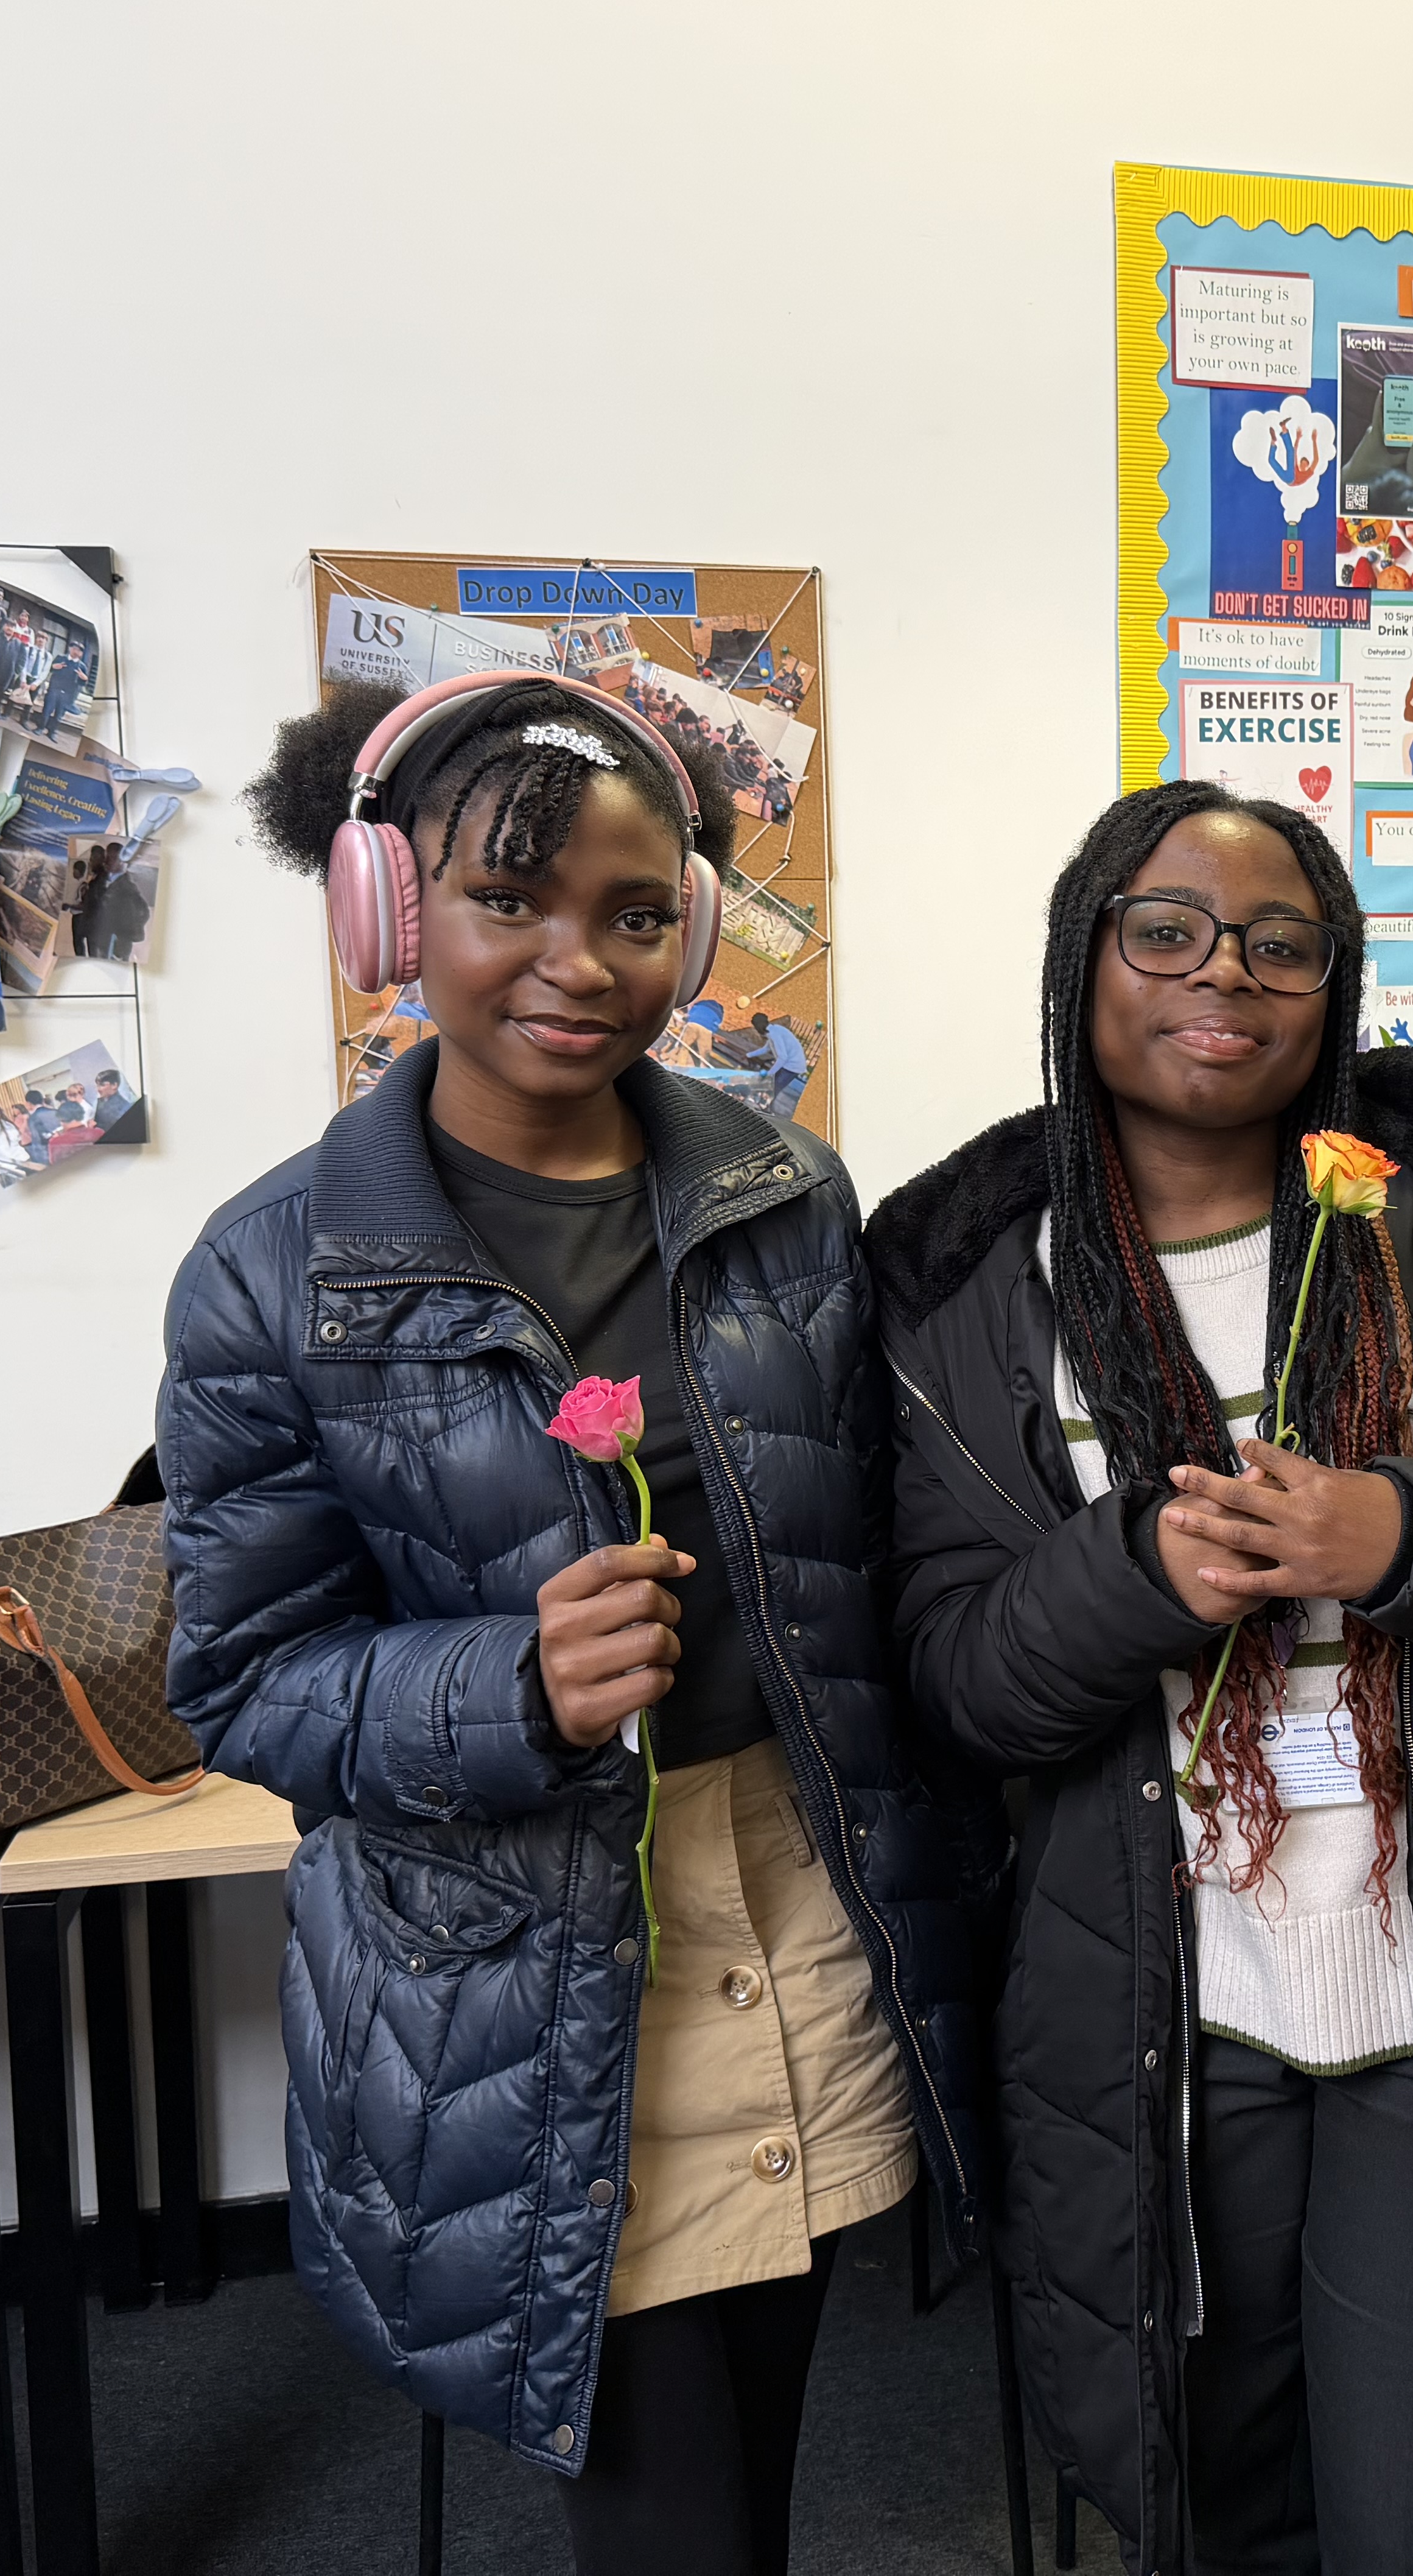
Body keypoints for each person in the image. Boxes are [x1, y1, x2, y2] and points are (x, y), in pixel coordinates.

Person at [162, 671, 987, 2576]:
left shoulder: (782, 1195)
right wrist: (502, 1688)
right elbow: (240, 1683)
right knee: (671, 2513)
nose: (575, 963)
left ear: (692, 929)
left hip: (789, 1910)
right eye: (505, 903)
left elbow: (876, 1541)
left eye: (632, 915)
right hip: (520, 1972)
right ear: (386, 917)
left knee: (756, 2455)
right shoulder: (273, 1270)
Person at [870, 779, 1413, 2576]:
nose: (1226, 976)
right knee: (1216, 2501)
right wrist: (1130, 1579)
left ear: (1334, 987)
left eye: (1282, 945)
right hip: (1158, 2007)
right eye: (1167, 931)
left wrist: (1395, 1537)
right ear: (1082, 958)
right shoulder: (972, 1282)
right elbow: (961, 1684)